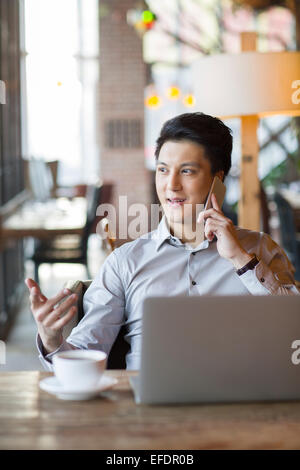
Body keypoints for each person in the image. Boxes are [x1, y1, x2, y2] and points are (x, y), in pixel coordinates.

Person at [25, 112, 300, 371]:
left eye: (187, 171)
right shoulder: (124, 263)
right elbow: (84, 354)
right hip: (149, 415)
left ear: (218, 180)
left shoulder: (260, 250)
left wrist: (241, 260)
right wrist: (51, 340)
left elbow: (294, 332)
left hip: (244, 409)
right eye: (163, 170)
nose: (171, 185)